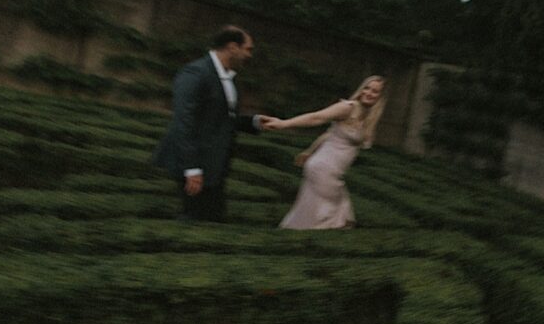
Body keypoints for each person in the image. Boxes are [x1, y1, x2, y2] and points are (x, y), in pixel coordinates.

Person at [152, 25, 268, 222]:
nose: (250, 55)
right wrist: (192, 168)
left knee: (212, 217)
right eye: (248, 49)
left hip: (215, 163)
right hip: (195, 163)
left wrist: (255, 122)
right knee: (195, 219)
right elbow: (183, 121)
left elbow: (221, 118)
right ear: (232, 47)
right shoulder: (196, 73)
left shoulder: (228, 77)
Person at [263, 76, 386, 229]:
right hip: (324, 170)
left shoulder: (367, 118)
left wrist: (309, 151)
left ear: (380, 97)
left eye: (374, 91)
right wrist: (283, 124)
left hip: (328, 170)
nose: (368, 93)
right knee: (332, 220)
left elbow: (329, 134)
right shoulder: (347, 108)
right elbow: (317, 117)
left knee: (312, 216)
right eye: (366, 88)